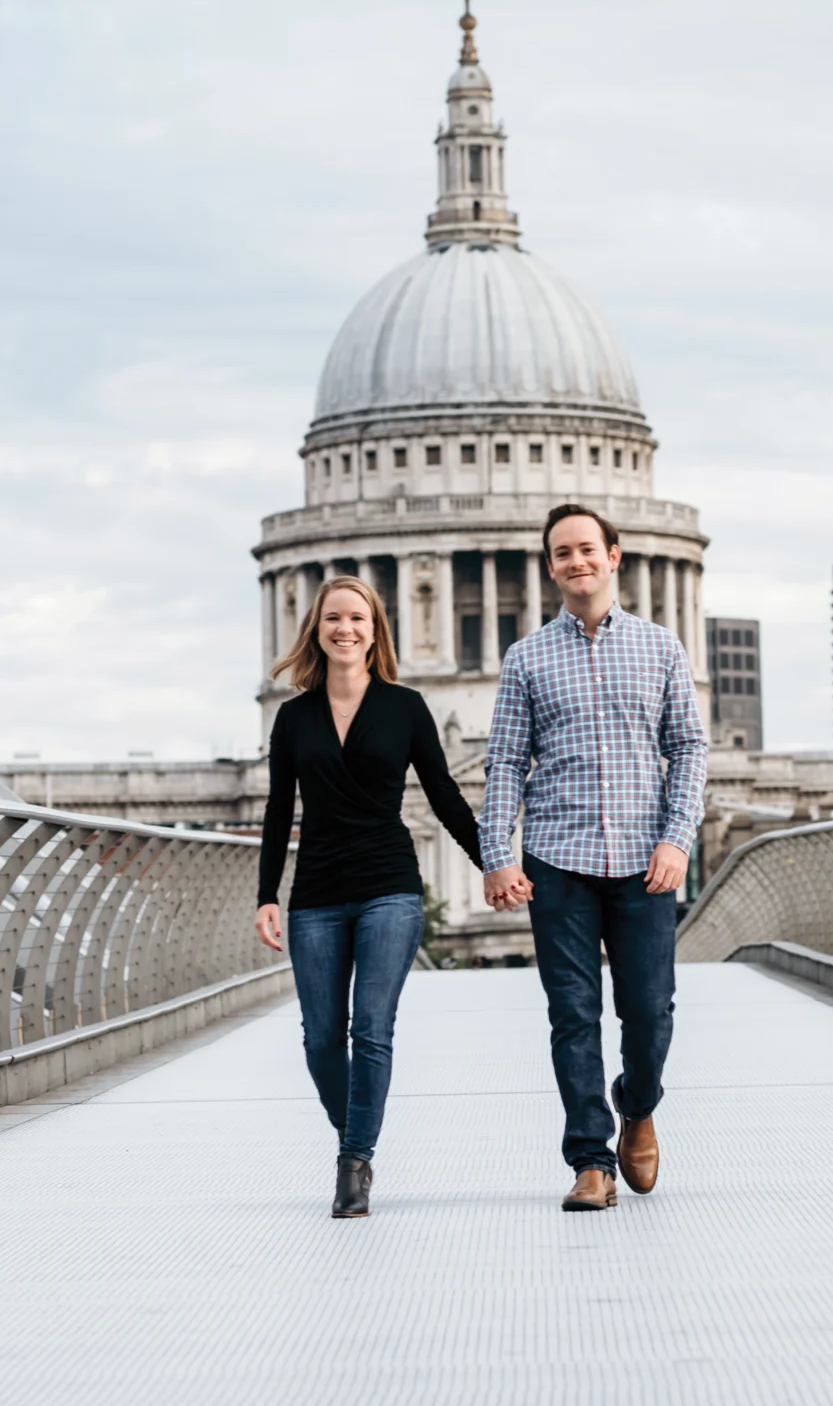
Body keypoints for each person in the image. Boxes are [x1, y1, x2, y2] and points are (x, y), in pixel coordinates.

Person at [479, 504, 708, 1211]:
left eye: (587, 548)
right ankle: (590, 1159)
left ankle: (637, 1107)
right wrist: (497, 853)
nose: (576, 562)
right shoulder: (525, 657)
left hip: (646, 858)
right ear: (550, 567)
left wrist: (678, 837)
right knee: (573, 1013)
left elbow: (691, 748)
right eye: (562, 553)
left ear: (615, 555)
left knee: (649, 1012)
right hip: (558, 857)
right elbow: (505, 761)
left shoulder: (662, 647)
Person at [254, 573, 483, 1218]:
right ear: (316, 630)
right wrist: (267, 894)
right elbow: (278, 813)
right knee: (321, 1039)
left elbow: (444, 796)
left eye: (357, 618)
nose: (345, 629)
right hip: (317, 894)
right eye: (333, 619)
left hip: (389, 887)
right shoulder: (292, 717)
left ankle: (352, 1165)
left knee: (372, 1030)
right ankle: (359, 1133)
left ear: (376, 629)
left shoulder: (405, 707)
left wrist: (492, 863)